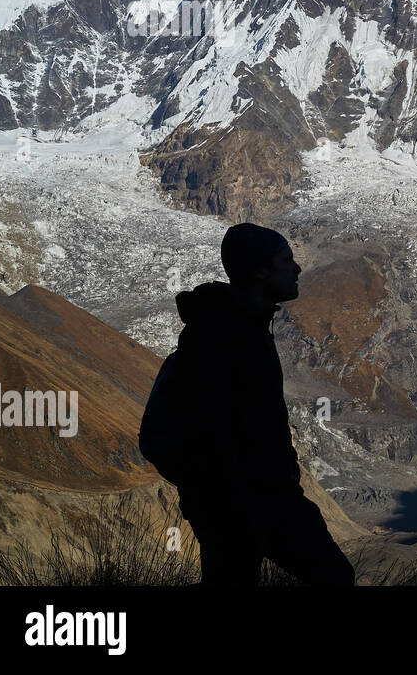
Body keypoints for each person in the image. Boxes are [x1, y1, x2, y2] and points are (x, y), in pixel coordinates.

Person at [163, 223, 354, 585]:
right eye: (287, 260)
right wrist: (250, 500)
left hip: (240, 502)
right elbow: (214, 425)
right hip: (244, 503)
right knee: (333, 577)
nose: (297, 269)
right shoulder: (225, 334)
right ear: (260, 270)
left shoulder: (239, 324)